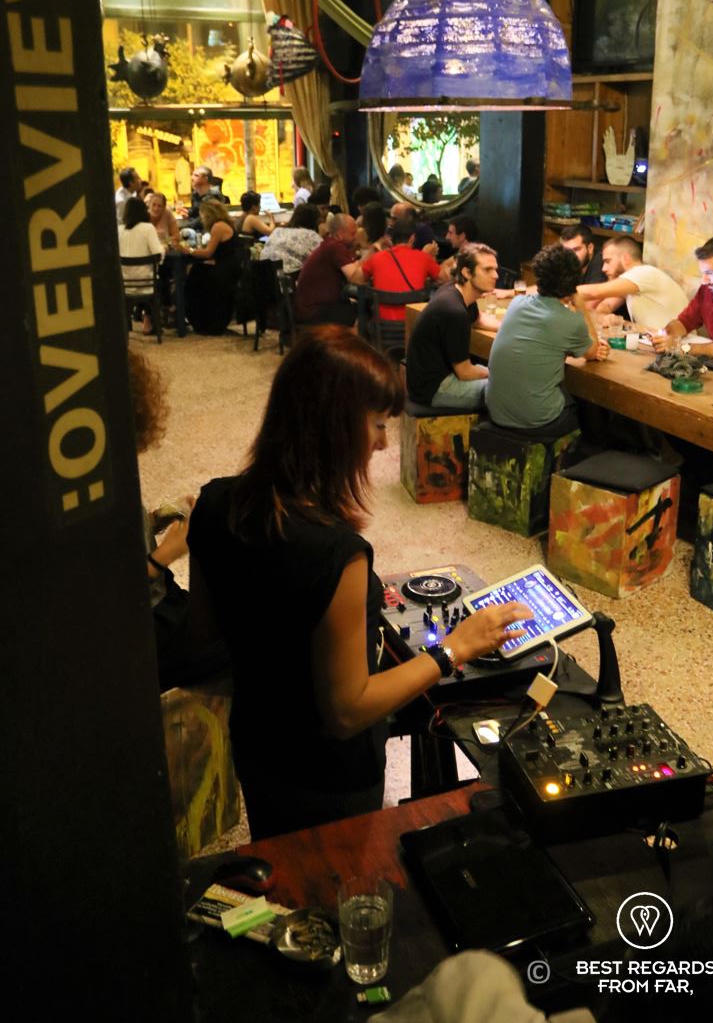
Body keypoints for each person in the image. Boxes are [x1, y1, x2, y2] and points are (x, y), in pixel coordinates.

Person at [186, 327, 532, 838]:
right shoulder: (338, 555)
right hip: (331, 779)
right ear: (334, 427)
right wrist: (454, 649)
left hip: (258, 748)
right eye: (374, 424)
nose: (382, 442)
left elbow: (205, 638)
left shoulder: (214, 502)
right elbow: (348, 712)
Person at [128, 349, 229, 692]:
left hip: (163, 605)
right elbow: (107, 602)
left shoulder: (112, 481)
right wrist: (166, 553)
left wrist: (156, 517)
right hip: (148, 632)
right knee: (244, 642)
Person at [487, 244, 608, 438]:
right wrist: (580, 306)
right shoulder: (570, 321)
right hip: (537, 422)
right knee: (581, 410)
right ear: (574, 281)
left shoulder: (517, 303)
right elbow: (593, 352)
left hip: (496, 412)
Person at [406, 243, 502, 411]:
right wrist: (498, 375)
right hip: (434, 388)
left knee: (503, 380)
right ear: (466, 272)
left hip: (437, 376)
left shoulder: (458, 291)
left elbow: (478, 320)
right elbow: (465, 373)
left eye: (495, 269)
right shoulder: (454, 310)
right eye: (487, 270)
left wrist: (510, 328)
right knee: (508, 391)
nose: (496, 275)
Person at [576, 235, 688, 330]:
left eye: (607, 261)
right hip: (660, 342)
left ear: (625, 258)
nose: (603, 268)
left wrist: (561, 293)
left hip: (681, 347)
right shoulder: (633, 282)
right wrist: (606, 317)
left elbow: (594, 293)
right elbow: (606, 305)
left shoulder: (643, 273)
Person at [350, 215, 447, 321]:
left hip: (382, 329)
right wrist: (431, 258)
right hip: (413, 328)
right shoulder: (424, 257)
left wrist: (373, 250)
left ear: (391, 238)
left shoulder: (377, 257)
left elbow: (355, 279)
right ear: (412, 238)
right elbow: (444, 279)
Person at [184, 199, 240, 335]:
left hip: (225, 271)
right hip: (231, 267)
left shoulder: (217, 227)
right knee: (199, 270)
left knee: (195, 275)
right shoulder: (226, 224)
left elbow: (208, 252)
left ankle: (201, 320)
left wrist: (188, 250)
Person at [294, 213, 360, 325]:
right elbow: (355, 277)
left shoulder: (329, 243)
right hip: (315, 311)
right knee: (365, 309)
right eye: (353, 234)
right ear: (340, 234)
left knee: (356, 306)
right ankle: (355, 341)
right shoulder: (334, 247)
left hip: (309, 307)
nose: (355, 238)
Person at [119, 195, 164, 334]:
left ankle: (141, 319)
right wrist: (164, 249)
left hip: (125, 284)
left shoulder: (119, 230)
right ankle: (153, 320)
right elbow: (158, 255)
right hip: (147, 283)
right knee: (163, 281)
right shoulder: (147, 228)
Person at [260, 202, 322, 275]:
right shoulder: (311, 236)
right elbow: (323, 257)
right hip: (290, 278)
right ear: (314, 221)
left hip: (264, 275)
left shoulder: (277, 231)